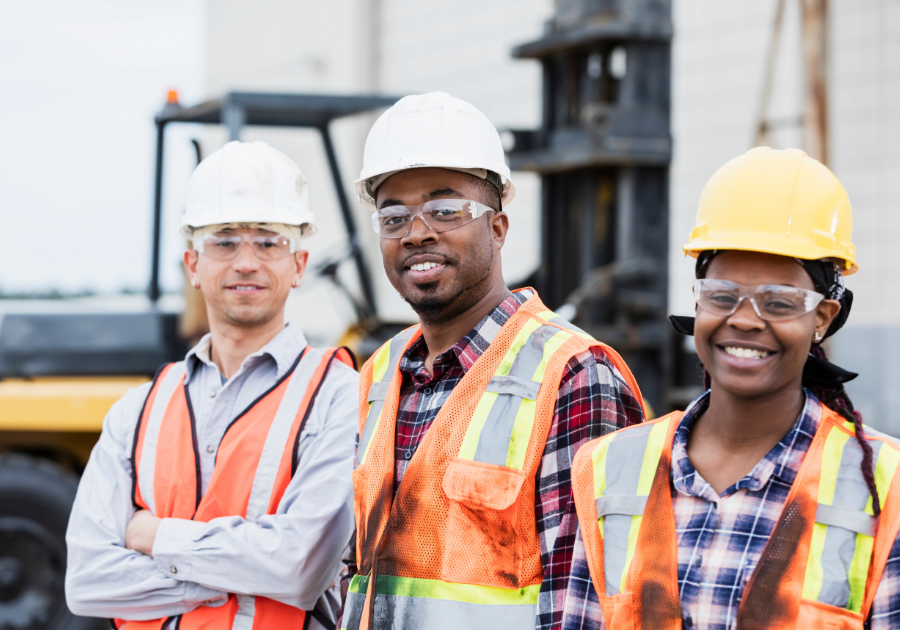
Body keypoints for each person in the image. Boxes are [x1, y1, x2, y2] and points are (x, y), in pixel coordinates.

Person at [341, 92, 646, 630]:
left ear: (499, 228)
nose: (417, 233)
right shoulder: (380, 374)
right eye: (394, 216)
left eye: (445, 210)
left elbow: (587, 608)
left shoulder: (572, 375)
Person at [564, 146, 900, 629]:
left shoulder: (883, 488)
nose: (744, 320)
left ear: (822, 319)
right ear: (697, 303)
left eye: (780, 303)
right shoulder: (609, 469)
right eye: (722, 296)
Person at [65, 141, 359, 630]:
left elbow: (301, 568)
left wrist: (156, 537)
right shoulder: (137, 411)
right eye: (223, 242)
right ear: (193, 266)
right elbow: (88, 581)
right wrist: (246, 571)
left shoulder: (339, 396)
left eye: (269, 242)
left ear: (299, 265)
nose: (246, 261)